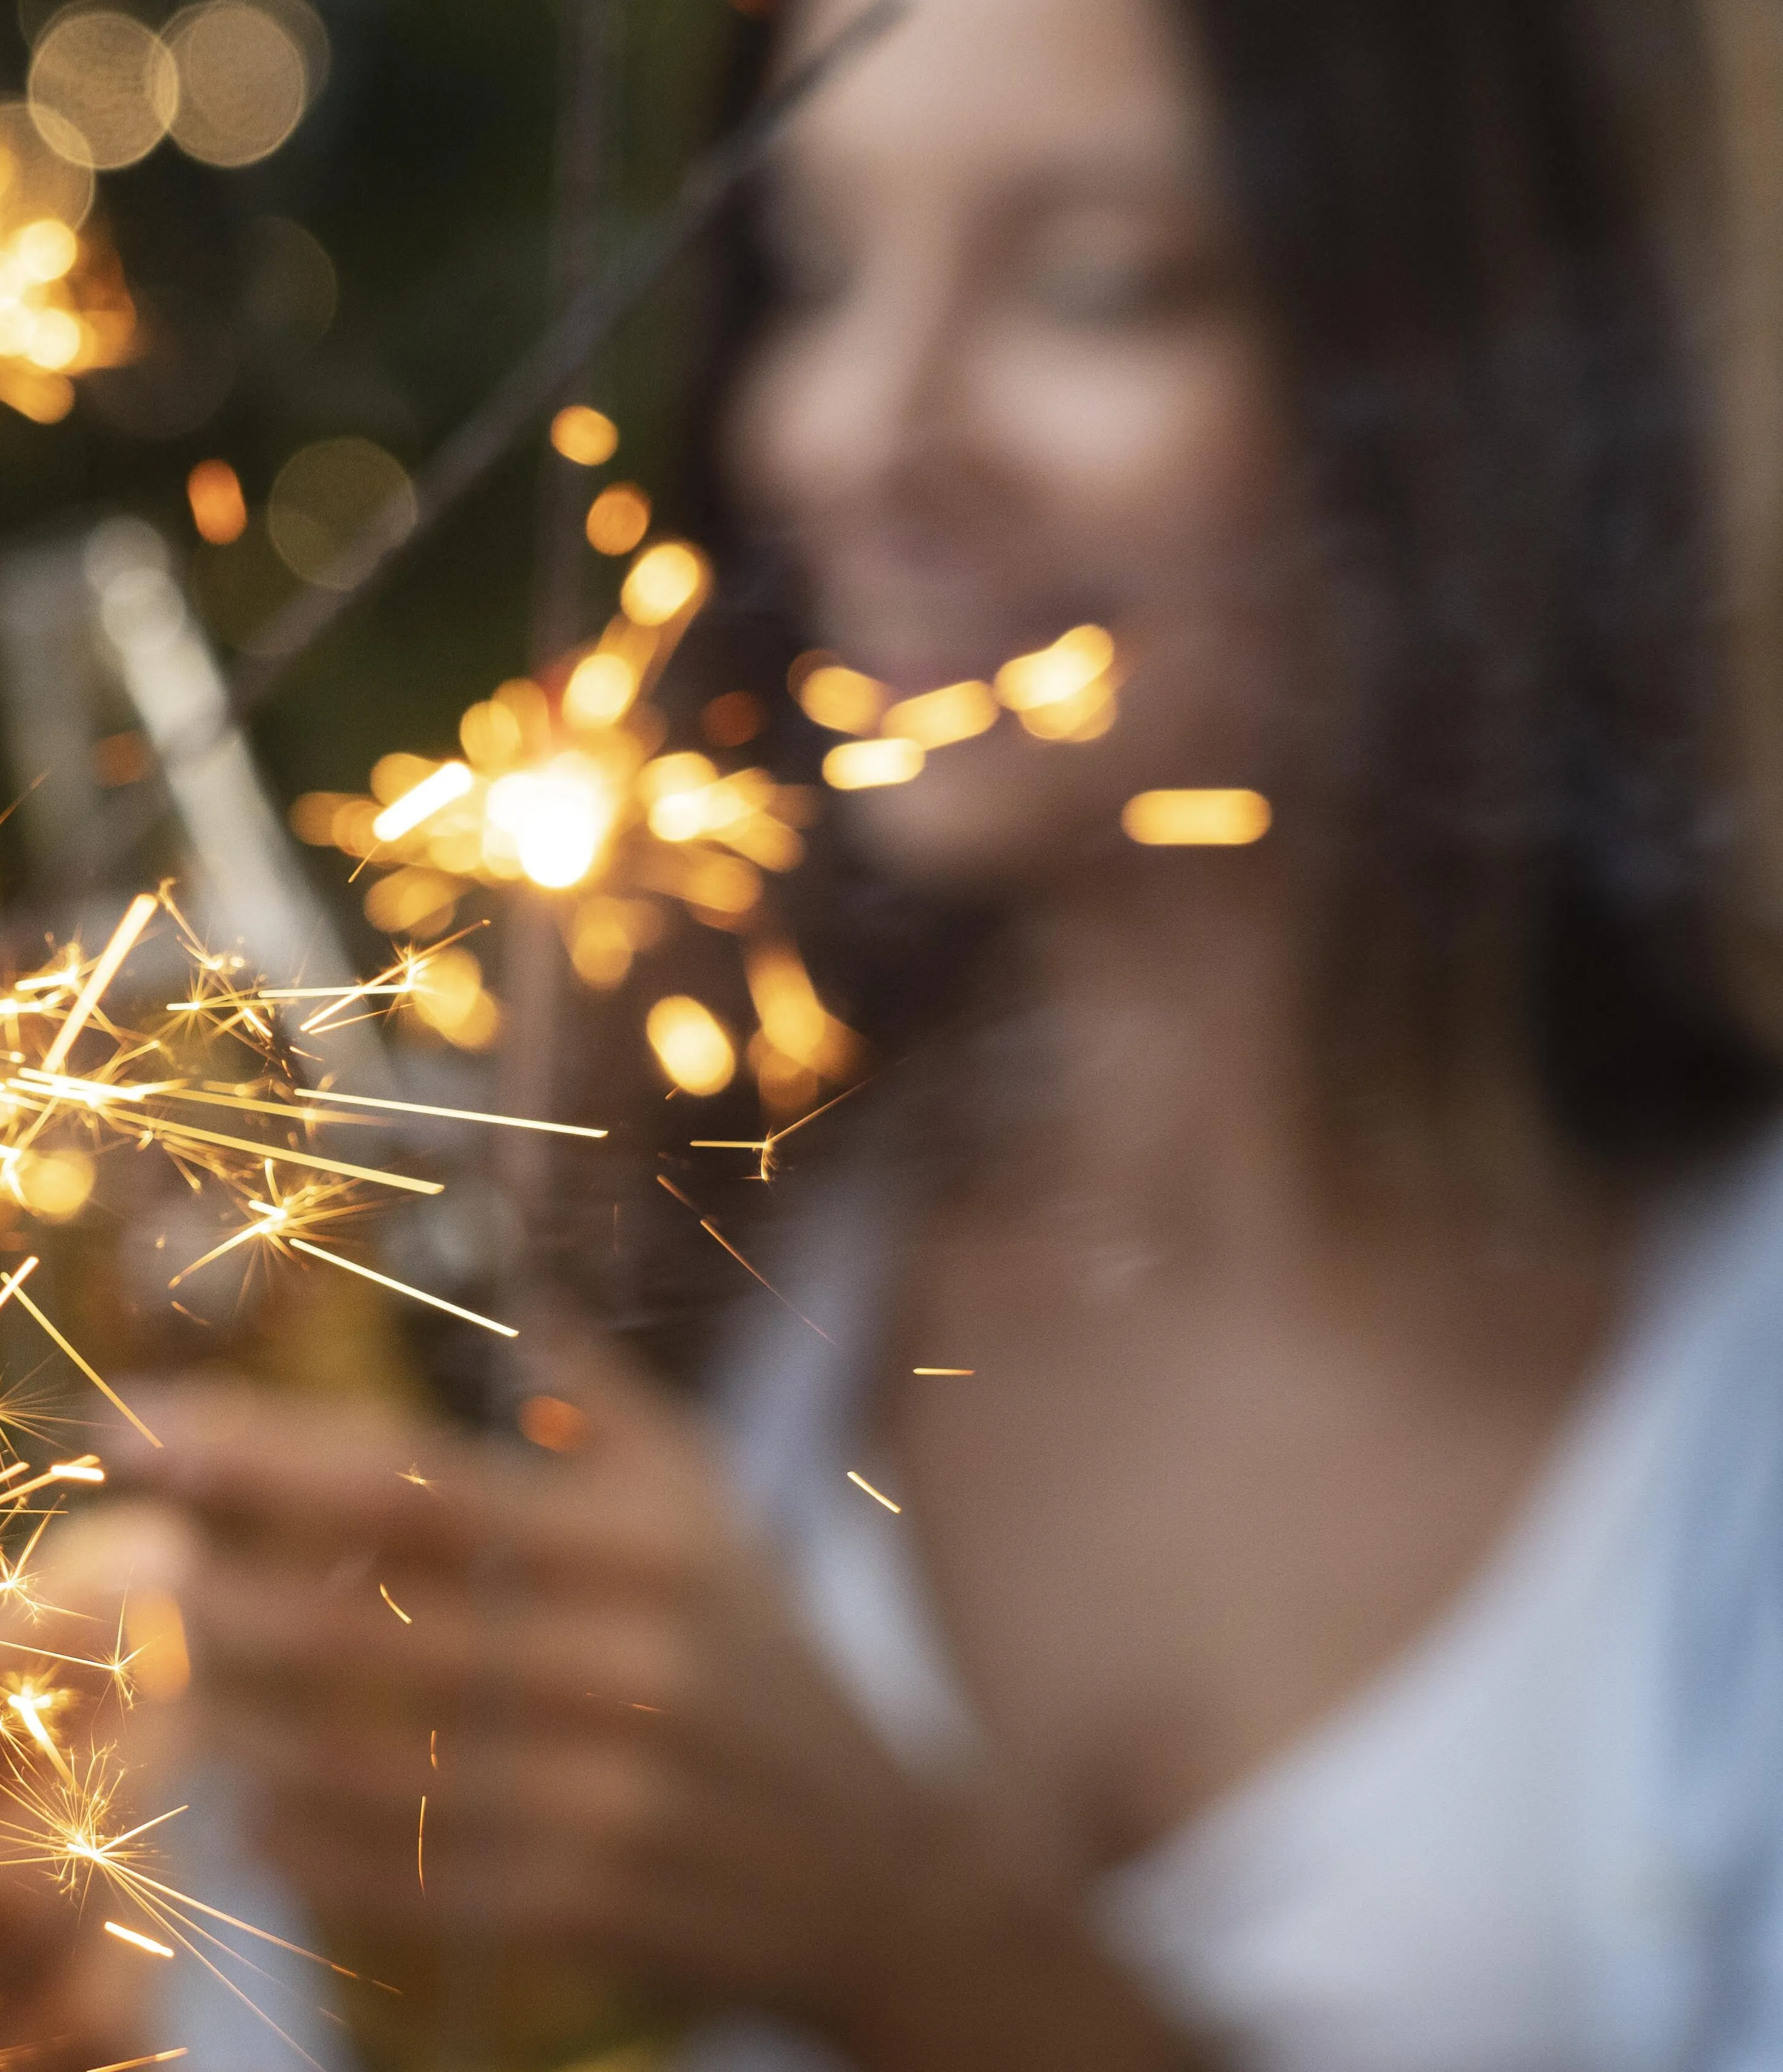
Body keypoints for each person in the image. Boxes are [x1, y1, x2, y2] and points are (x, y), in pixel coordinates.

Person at [126, 0, 1783, 2065]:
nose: (852, 428)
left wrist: (917, 1939)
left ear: (1478, 368)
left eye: (1090, 286)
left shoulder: (1730, 1399)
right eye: (814, 268)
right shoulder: (642, 1243)